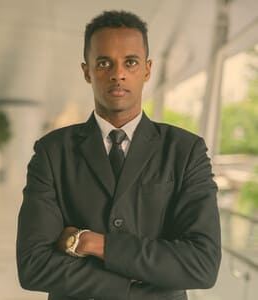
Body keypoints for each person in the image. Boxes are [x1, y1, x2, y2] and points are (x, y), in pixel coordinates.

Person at [16, 10, 221, 300]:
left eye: (131, 62)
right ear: (87, 71)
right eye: (104, 63)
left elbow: (203, 264)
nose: (118, 73)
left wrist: (92, 243)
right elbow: (33, 266)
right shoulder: (52, 152)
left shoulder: (186, 151)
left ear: (147, 70)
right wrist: (137, 285)